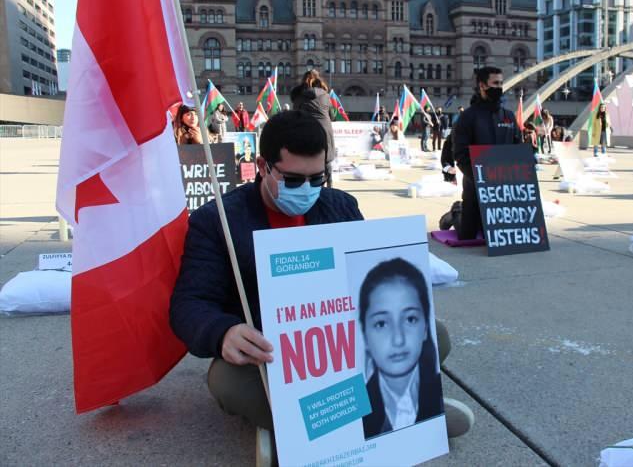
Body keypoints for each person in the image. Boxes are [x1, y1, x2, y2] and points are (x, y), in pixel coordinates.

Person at [170, 111, 473, 459]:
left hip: (346, 348)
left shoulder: (340, 206)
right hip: (270, 355)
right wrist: (223, 332)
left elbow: (366, 275)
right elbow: (189, 303)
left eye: (318, 178)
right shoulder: (217, 221)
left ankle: (293, 431)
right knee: (226, 383)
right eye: (294, 180)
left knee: (436, 335)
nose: (308, 190)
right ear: (262, 166)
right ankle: (400, 414)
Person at [359, 258, 443, 439]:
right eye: (381, 323)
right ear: (364, 335)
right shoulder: (353, 411)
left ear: (426, 328)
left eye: (410, 319)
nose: (398, 339)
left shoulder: (435, 394)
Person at [452, 66, 522, 240]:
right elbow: (460, 155)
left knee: (498, 235)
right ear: (482, 85)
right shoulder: (467, 117)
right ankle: (455, 212)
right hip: (476, 189)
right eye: (495, 83)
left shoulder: (509, 116)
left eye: (501, 83)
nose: (499, 87)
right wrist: (481, 180)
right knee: (468, 235)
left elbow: (518, 148)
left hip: (503, 191)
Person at [290, 69, 335, 187]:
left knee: (308, 158)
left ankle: (311, 186)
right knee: (326, 161)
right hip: (325, 130)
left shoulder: (298, 96)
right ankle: (329, 186)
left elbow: (295, 114)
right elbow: (333, 115)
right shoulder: (325, 95)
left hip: (307, 130)